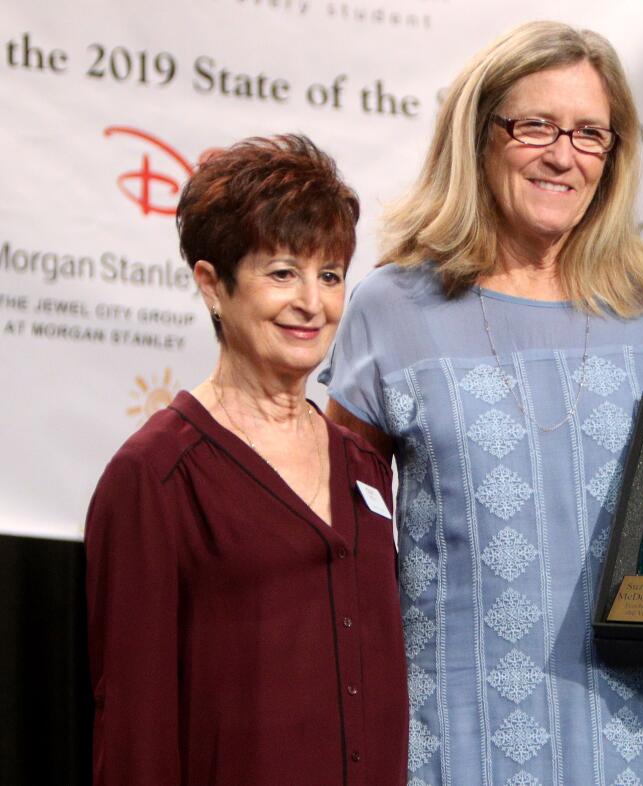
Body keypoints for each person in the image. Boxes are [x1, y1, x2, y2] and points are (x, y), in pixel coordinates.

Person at [322, 20, 643, 786]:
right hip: (461, 742)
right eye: (536, 126)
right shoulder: (392, 307)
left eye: (591, 134)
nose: (564, 155)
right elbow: (339, 551)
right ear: (479, 135)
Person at [85, 135, 408, 786]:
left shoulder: (364, 465)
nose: (312, 303)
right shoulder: (155, 475)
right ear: (212, 284)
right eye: (282, 273)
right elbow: (132, 736)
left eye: (330, 275)